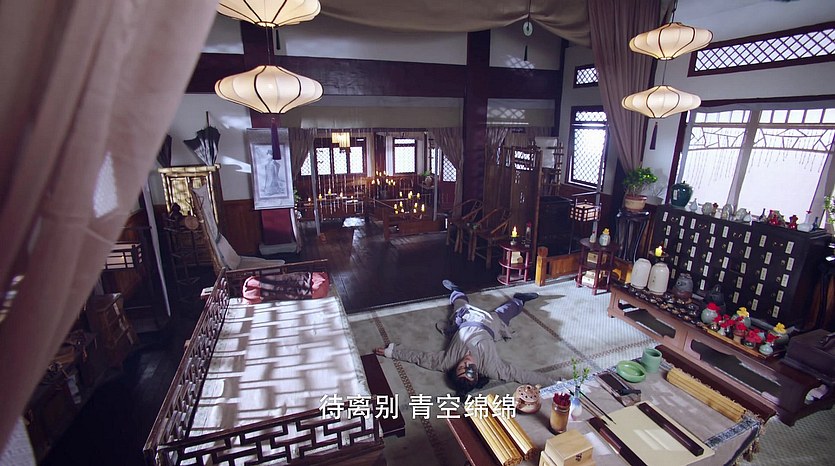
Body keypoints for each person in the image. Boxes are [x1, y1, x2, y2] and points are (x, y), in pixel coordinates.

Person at [374, 280, 555, 396]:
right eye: (471, 370)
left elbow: (420, 358)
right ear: (478, 374)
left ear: (455, 369)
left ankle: (456, 290)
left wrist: (393, 352)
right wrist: (554, 384)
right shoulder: (492, 368)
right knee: (506, 312)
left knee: (459, 303)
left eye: (462, 367)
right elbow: (520, 374)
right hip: (489, 325)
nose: (467, 364)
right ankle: (520, 299)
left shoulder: (446, 362)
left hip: (464, 321)